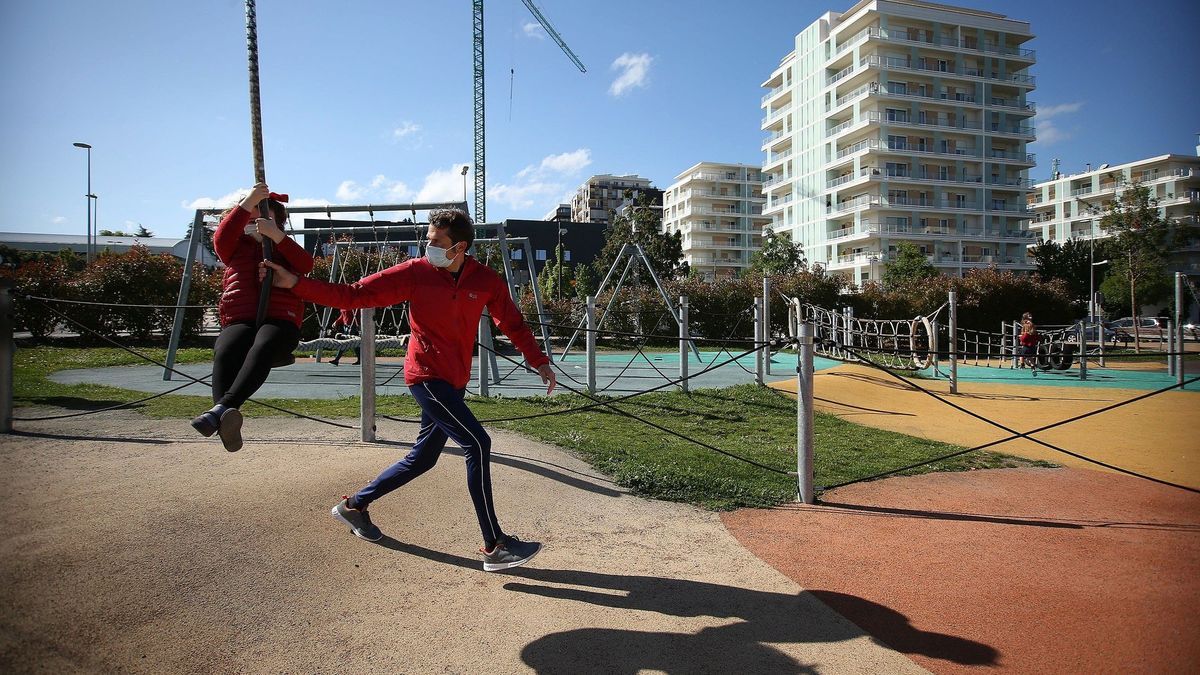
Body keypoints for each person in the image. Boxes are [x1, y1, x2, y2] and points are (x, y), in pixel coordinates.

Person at [261, 209, 556, 572]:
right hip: (426, 377)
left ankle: (354, 506)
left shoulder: (485, 280)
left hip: (454, 381)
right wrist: (296, 283)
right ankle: (495, 545)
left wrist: (538, 360)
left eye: (435, 242)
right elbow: (353, 294)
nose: (426, 246)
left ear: (459, 247)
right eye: (427, 239)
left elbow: (511, 321)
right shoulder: (416, 272)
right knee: (477, 443)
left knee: (423, 458)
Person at [190, 183, 314, 451]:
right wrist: (248, 202)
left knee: (265, 344)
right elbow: (221, 239)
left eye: (261, 217)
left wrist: (277, 238)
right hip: (241, 317)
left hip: (280, 318)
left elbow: (306, 264)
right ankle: (223, 416)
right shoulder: (235, 247)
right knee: (226, 349)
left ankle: (221, 410)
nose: (253, 222)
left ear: (277, 222)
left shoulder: (284, 248)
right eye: (248, 216)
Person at [1019, 311, 1039, 376]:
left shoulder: (1026, 334)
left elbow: (1023, 339)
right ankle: (1033, 368)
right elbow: (1037, 338)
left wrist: (1021, 337)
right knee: (1030, 358)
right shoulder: (1034, 334)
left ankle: (1022, 364)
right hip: (1033, 347)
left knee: (1021, 355)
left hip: (1026, 347)